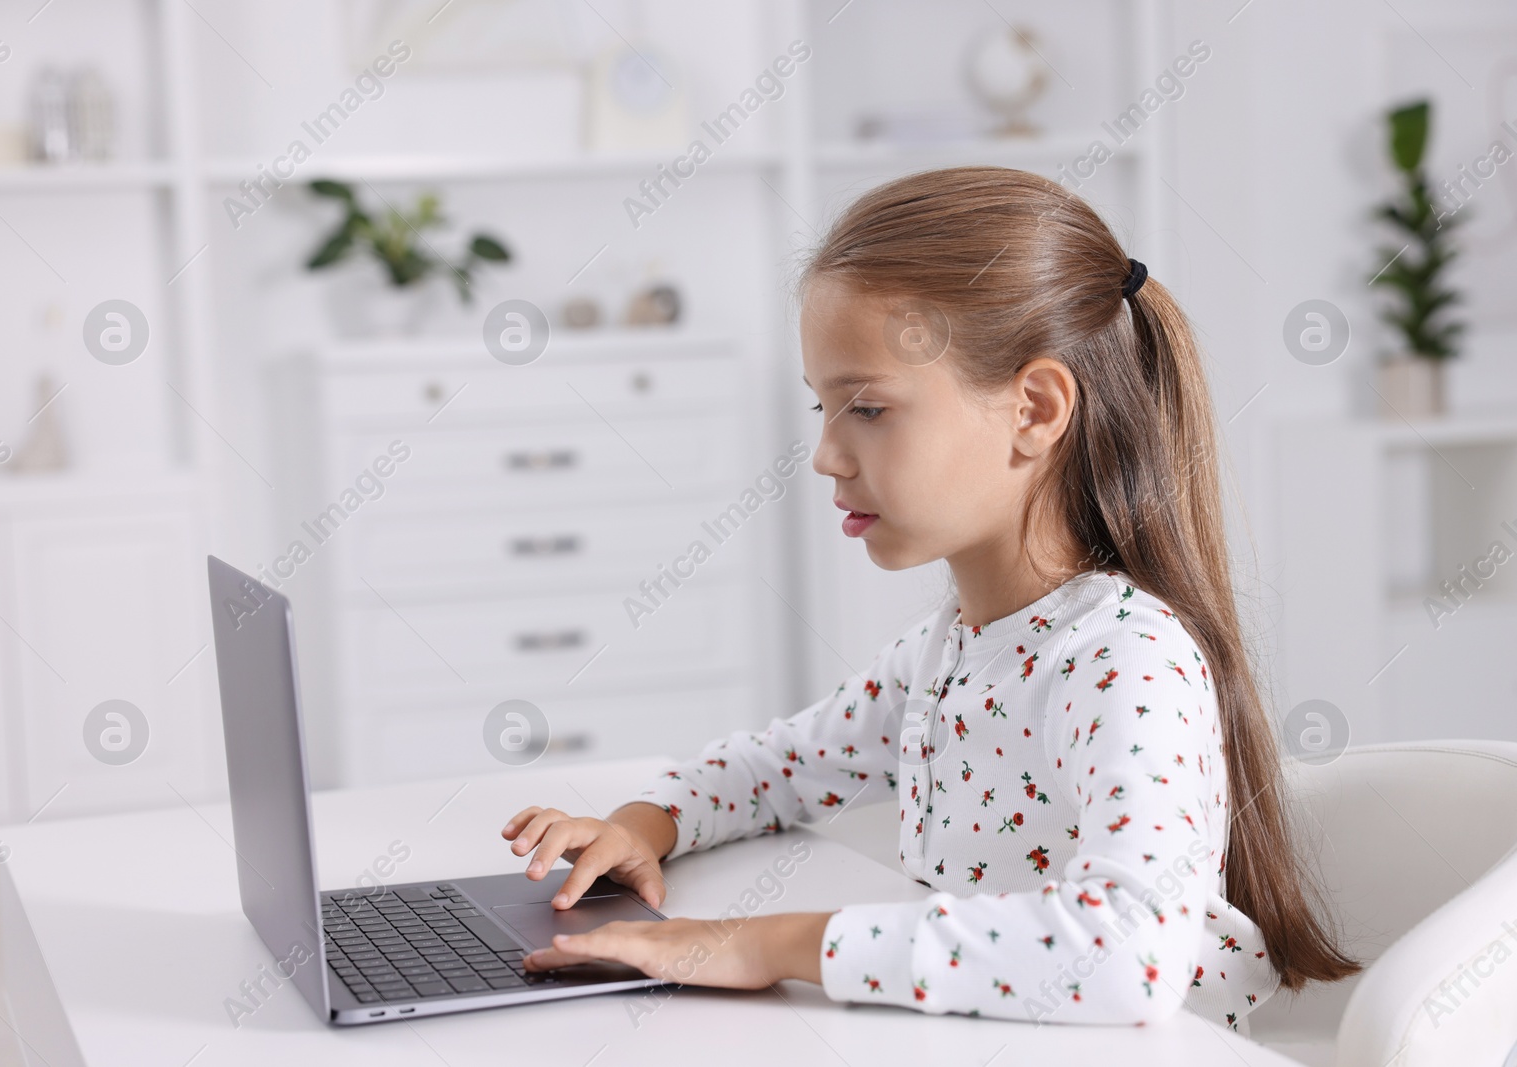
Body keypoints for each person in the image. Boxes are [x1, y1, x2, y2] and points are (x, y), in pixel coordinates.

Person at [501, 166, 1359, 1029]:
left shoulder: (1121, 658)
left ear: (1034, 407)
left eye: (867, 408)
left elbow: (1123, 958)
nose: (828, 456)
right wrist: (644, 823)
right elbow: (781, 767)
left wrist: (763, 943)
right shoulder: (952, 648)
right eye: (823, 409)